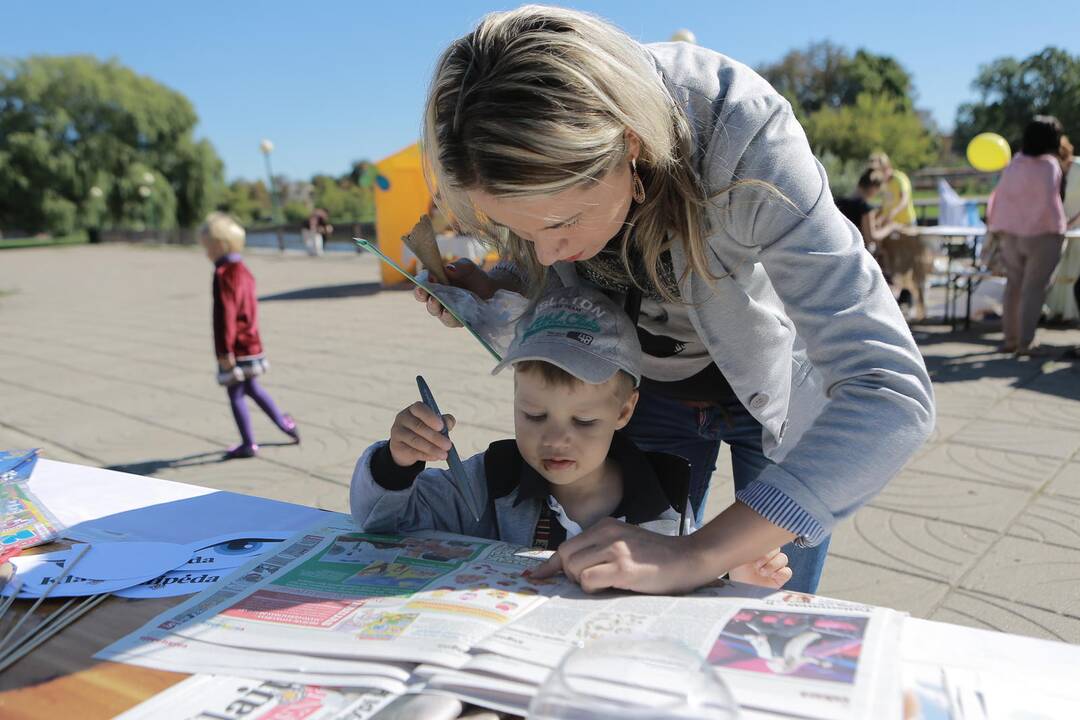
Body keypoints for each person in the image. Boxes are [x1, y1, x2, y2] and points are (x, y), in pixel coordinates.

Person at [413, 6, 933, 595]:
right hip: (650, 389)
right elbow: (547, 267)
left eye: (563, 222)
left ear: (629, 145)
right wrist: (502, 287)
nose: (550, 254)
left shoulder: (745, 134)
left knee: (770, 601)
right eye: (522, 231)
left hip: (775, 388)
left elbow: (887, 391)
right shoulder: (532, 178)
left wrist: (697, 554)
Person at [351, 286, 793, 590]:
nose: (556, 439)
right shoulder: (492, 479)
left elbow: (690, 588)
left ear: (624, 411)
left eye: (583, 421)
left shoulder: (663, 503)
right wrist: (397, 462)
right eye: (534, 414)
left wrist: (741, 580)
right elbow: (384, 523)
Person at [201, 212, 300, 459]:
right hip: (252, 342)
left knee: (235, 393)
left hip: (234, 346)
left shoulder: (224, 273)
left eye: (208, 247)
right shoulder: (244, 270)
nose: (207, 253)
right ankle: (285, 424)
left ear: (220, 245)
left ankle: (248, 443)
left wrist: (225, 351)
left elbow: (226, 313)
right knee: (253, 387)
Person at [987, 116, 1069, 356]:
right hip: (1043, 234)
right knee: (1034, 288)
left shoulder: (1014, 164)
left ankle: (1009, 339)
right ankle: (1025, 342)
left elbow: (999, 198)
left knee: (1013, 287)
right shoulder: (1050, 166)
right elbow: (1049, 201)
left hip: (1009, 234)